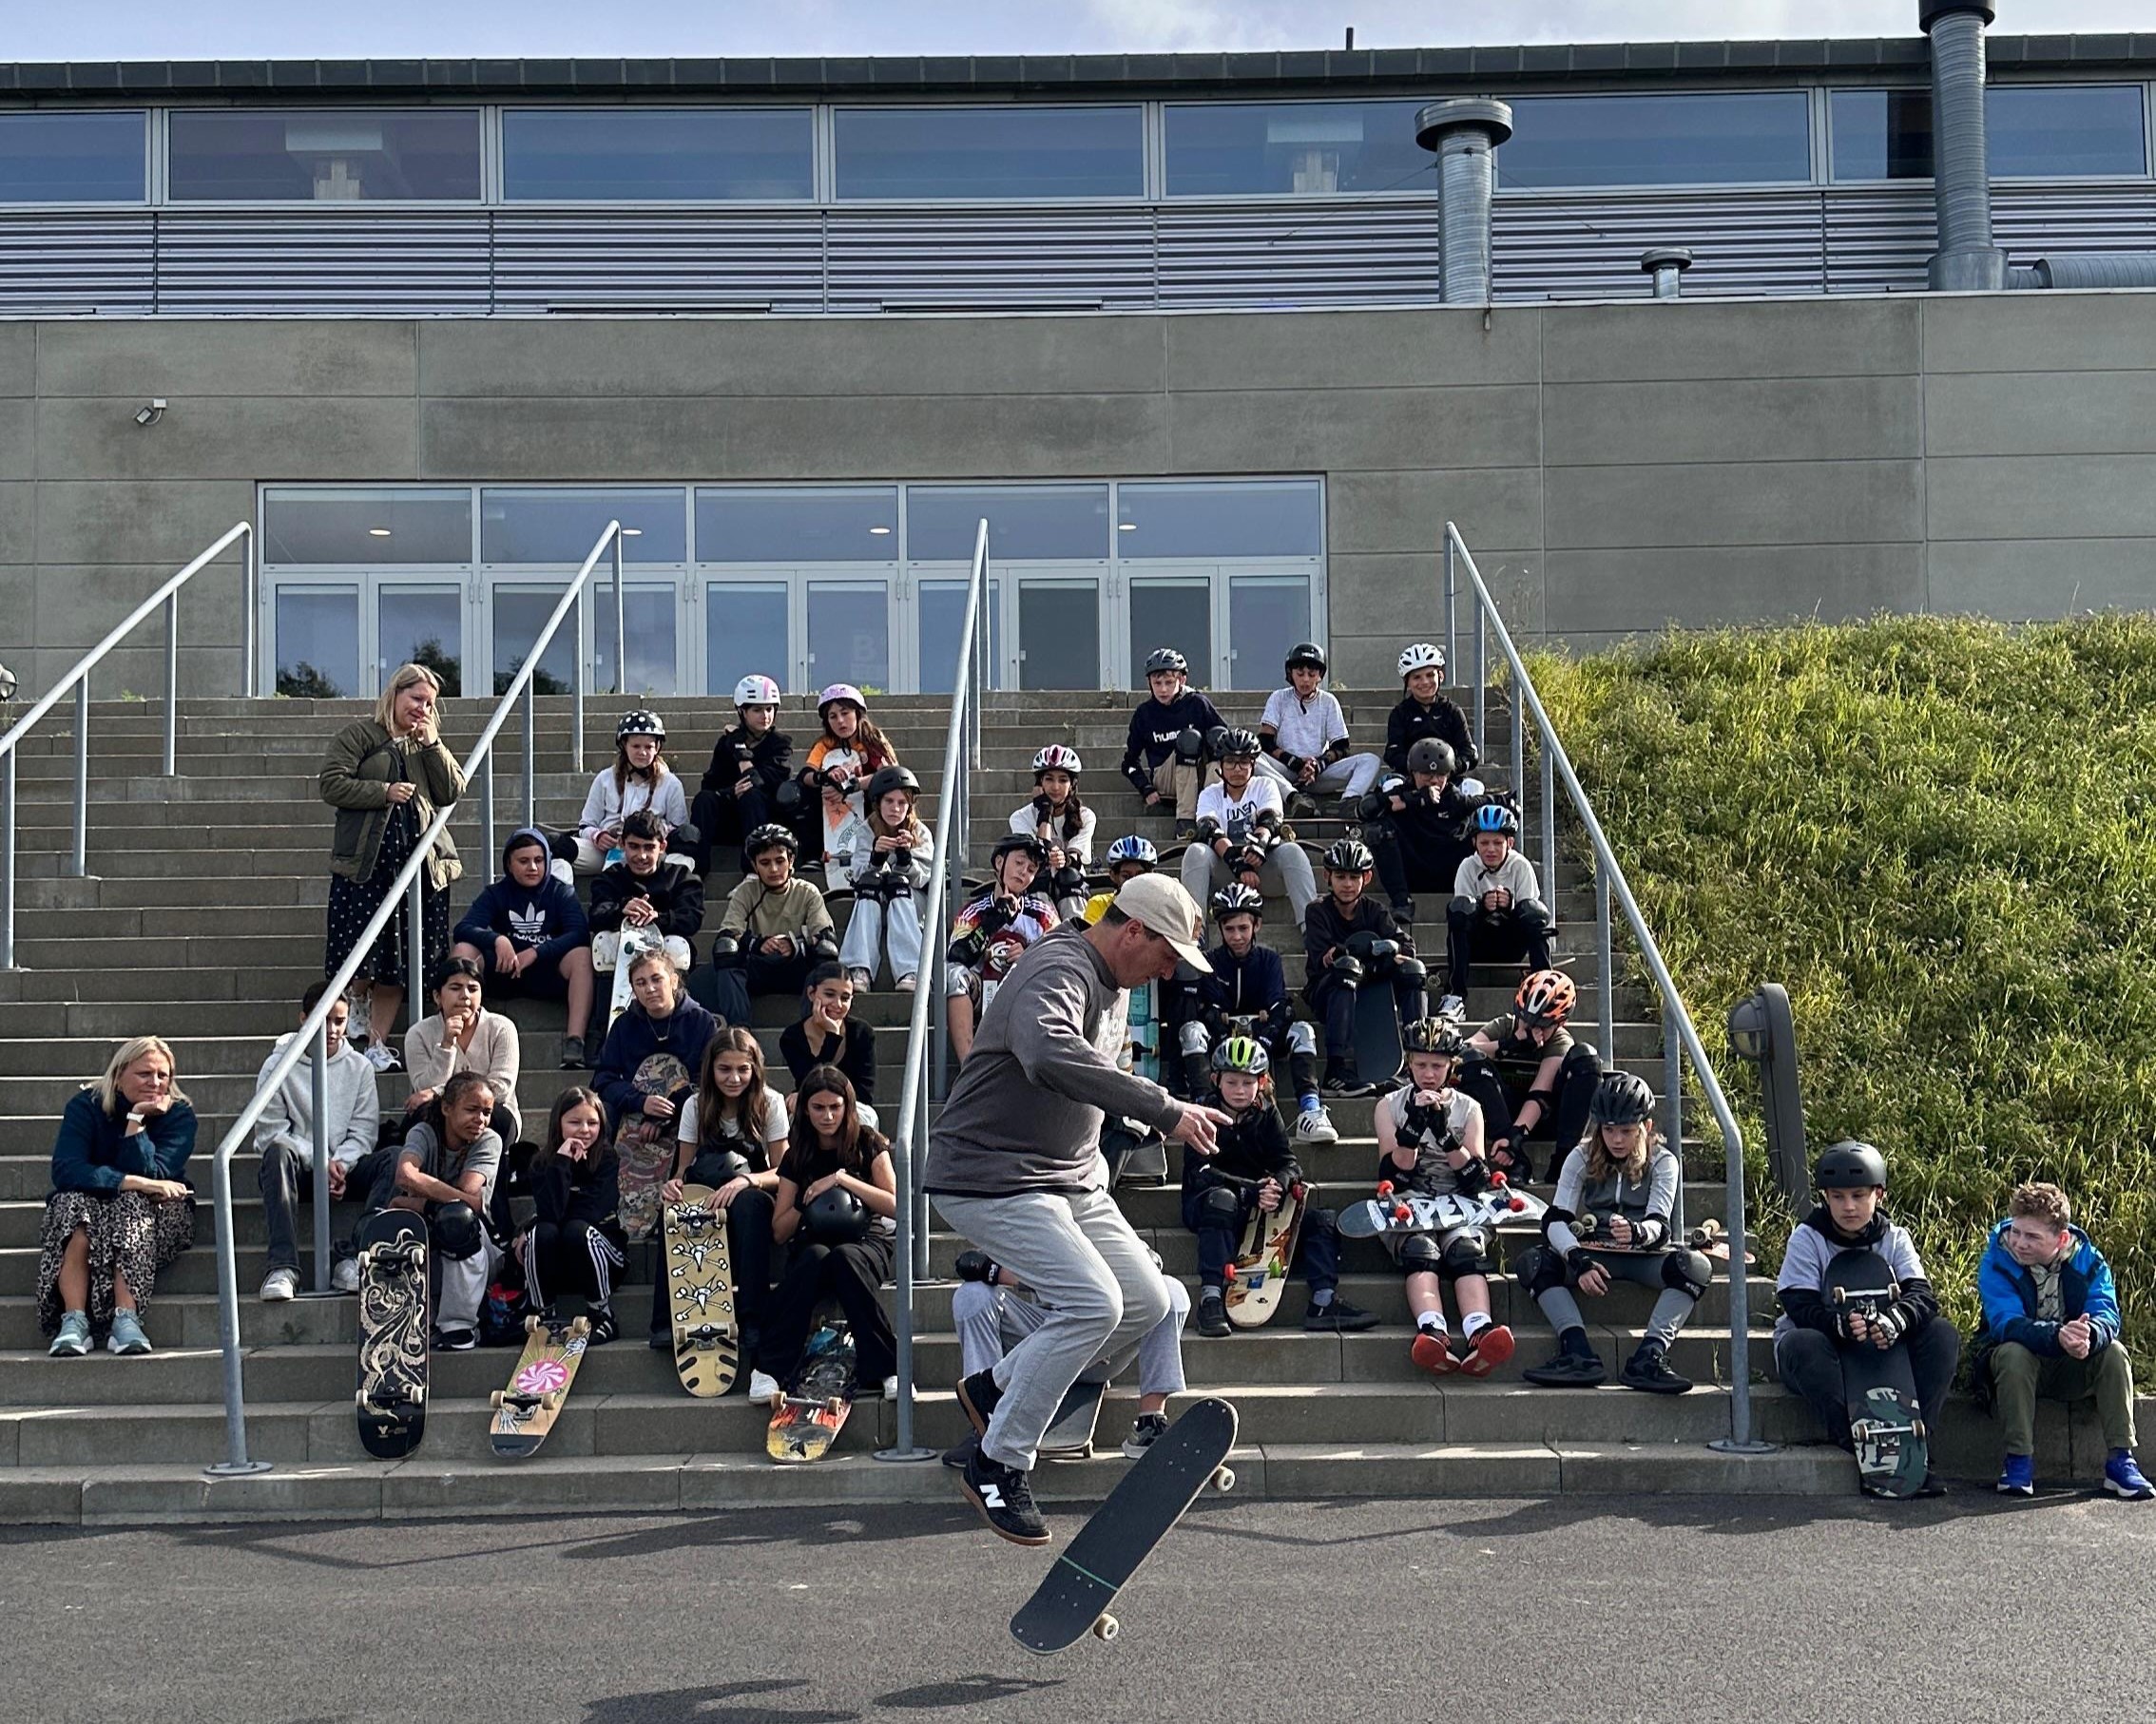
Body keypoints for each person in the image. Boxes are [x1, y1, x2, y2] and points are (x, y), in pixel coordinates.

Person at [926, 872, 1229, 1546]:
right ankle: (998, 1464)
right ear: (1133, 931)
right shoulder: (1057, 968)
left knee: (1148, 1300)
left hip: (1070, 1178)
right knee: (1093, 1303)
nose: (1169, 972)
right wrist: (1163, 1108)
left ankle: (995, 1390)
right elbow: (1049, 1053)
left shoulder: (1114, 980)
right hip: (991, 1175)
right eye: (1167, 955)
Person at [1773, 1140, 1954, 1498]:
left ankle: (1917, 1449)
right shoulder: (1807, 1238)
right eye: (1837, 1197)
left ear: (1878, 1195)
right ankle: (1858, 1450)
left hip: (1884, 1351)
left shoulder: (1895, 1238)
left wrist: (1897, 1319)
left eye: (1858, 1195)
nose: (1849, 1206)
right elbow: (1797, 1302)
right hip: (1825, 1353)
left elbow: (1923, 1296)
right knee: (1801, 1342)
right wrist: (1839, 1324)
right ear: (1825, 1197)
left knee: (1942, 1334)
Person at [1515, 1070, 1705, 1393]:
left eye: (1627, 1131)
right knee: (1533, 1262)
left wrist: (1638, 1232)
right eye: (1609, 1130)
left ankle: (1649, 1356)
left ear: (1646, 1127)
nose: (1617, 1140)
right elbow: (1555, 1220)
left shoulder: (1664, 1161)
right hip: (1594, 1252)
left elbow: (1660, 1226)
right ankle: (1577, 1352)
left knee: (1695, 1267)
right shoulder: (1580, 1156)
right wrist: (1578, 1260)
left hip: (1644, 1255)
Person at [319, 661, 466, 1069]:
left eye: (430, 703)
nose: (423, 708)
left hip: (419, 870)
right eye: (416, 698)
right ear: (395, 694)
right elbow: (331, 783)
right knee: (363, 953)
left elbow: (452, 790)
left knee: (399, 963)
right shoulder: (360, 735)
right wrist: (383, 791)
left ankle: (377, 1044)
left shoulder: (426, 742)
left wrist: (432, 745)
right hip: (369, 866)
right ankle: (352, 1011)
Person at [1184, 1035, 1373, 1339]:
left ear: (1261, 1082)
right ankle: (1210, 1299)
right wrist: (1250, 1190)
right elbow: (1201, 1172)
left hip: (1259, 1209)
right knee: (1222, 1200)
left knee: (1322, 1220)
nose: (1240, 1090)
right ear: (1216, 1080)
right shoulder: (1202, 1114)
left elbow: (1290, 1164)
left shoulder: (1267, 1112)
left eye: (1248, 1083)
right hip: (1211, 1206)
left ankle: (1323, 1302)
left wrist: (1278, 1184)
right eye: (1232, 1082)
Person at [1973, 1181, 2150, 1500]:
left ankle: (2121, 1461)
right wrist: (2057, 1336)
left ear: (2062, 1239)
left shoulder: (2090, 1261)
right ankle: (2018, 1461)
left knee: (2114, 1352)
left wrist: (2089, 1335)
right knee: (2012, 1353)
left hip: (2073, 1364)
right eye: (2016, 1232)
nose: (2019, 1243)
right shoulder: (1996, 1260)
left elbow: (2107, 1313)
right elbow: (2005, 1323)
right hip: (2021, 1369)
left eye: (2032, 1237)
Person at [949, 1247, 1192, 1461]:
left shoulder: (1101, 1218)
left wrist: (1001, 1272)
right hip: (1043, 1338)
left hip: (1106, 1341)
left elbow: (1149, 1262)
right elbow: (976, 1263)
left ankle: (1150, 1423)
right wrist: (995, 1269)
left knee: (1169, 1291)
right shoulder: (1031, 1218)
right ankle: (986, 1425)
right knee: (972, 1295)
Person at [1372, 1019, 1512, 1377]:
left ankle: (1479, 1329)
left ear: (1451, 1065)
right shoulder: (1389, 1105)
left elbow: (1476, 1178)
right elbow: (1393, 1175)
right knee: (1421, 1249)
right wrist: (1412, 1130)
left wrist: (1446, 1136)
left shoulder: (1469, 1107)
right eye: (1421, 1064)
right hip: (1408, 1198)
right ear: (1409, 1063)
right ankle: (1432, 1330)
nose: (1429, 1074)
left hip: (1457, 1199)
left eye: (1437, 1065)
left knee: (1465, 1249)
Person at [39, 1037, 196, 1357]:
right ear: (119, 1074)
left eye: (163, 1075)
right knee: (72, 1207)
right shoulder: (85, 1106)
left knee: (131, 1204)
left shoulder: (179, 1115)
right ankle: (74, 1321)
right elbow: (66, 1169)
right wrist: (130, 1181)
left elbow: (156, 1174)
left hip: (156, 1215)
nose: (155, 1083)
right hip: (89, 1210)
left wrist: (136, 1119)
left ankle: (126, 1320)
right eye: (144, 1074)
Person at [759, 1066, 899, 1408]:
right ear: (805, 1109)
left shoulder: (869, 1143)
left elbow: (897, 1206)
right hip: (812, 1243)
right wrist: (809, 1202)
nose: (828, 1116)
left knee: (844, 1258)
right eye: (818, 1108)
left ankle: (888, 1369)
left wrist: (841, 1180)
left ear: (847, 1106)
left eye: (835, 1107)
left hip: (866, 1243)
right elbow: (779, 1230)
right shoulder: (797, 1154)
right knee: (817, 1258)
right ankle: (768, 1370)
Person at [658, 1026, 784, 1368]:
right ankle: (667, 1317)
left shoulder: (770, 1102)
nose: (734, 1078)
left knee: (749, 1206)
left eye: (743, 1069)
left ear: (755, 1069)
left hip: (753, 1190)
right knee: (673, 1208)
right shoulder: (695, 1105)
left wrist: (746, 1181)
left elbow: (783, 1173)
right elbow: (683, 1169)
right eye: (724, 1069)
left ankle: (752, 1318)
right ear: (710, 1069)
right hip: (706, 1187)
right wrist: (673, 1186)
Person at [1174, 884, 1335, 1143]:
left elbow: (1278, 1007)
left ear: (1256, 925)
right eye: (1229, 929)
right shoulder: (1211, 961)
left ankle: (1310, 1110)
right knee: (1192, 1031)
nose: (1237, 936)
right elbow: (1211, 1008)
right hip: (1223, 1039)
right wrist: (1222, 1031)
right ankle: (1203, 1107)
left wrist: (1265, 1040)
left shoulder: (1269, 959)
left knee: (1303, 1031)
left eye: (1243, 928)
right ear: (1220, 929)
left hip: (1264, 1036)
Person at [254, 982, 382, 1301]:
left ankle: (356, 1257)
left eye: (339, 1021)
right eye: (323, 1020)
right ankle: (282, 1267)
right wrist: (320, 1162)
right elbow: (270, 1132)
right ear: (303, 1019)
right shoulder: (277, 1065)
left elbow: (364, 1132)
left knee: (395, 1160)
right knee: (276, 1153)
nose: (332, 1030)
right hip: (300, 1169)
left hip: (344, 1168)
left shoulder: (360, 1067)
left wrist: (340, 1165)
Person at [366, 1070, 503, 1351]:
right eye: (472, 1110)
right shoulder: (423, 1133)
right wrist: (432, 1200)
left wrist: (421, 1202)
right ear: (446, 1108)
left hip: (476, 1252)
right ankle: (405, 1316)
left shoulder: (489, 1140)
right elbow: (404, 1175)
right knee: (394, 1223)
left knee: (456, 1219)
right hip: (431, 1245)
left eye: (487, 1112)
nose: (480, 1119)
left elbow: (469, 1202)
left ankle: (459, 1326)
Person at [452, 825, 596, 1069]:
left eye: (539, 860)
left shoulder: (561, 891)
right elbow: (463, 928)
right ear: (509, 864)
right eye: (524, 861)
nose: (533, 867)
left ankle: (575, 1042)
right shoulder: (496, 893)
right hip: (503, 970)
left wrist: (537, 952)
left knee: (582, 955)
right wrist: (498, 940)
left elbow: (579, 934)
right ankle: (453, 1031)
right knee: (464, 951)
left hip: (546, 971)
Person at [1301, 838, 1428, 1096]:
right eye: (1340, 876)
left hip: (1372, 983)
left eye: (1354, 877)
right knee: (1346, 968)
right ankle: (1335, 1071)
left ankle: (1418, 1057)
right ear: (1327, 876)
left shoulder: (1375, 910)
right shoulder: (1317, 911)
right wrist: (1377, 951)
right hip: (1330, 991)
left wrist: (1359, 953)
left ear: (1367, 877)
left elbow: (1406, 947)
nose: (1347, 884)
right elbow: (1325, 959)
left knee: (1414, 971)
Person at [693, 823, 837, 1026]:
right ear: (754, 866)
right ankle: (740, 1029)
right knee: (725, 951)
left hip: (794, 967)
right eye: (765, 863)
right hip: (757, 966)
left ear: (791, 860)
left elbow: (826, 937)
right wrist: (757, 944)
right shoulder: (746, 892)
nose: (774, 869)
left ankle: (814, 1028)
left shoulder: (807, 892)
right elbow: (728, 934)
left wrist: (795, 945)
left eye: (780, 861)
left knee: (826, 952)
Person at [1462, 970, 1601, 1182]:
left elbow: (1540, 1093)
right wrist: (1509, 1045)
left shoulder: (1560, 1041)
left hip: (1539, 1116)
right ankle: (1517, 1161)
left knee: (1586, 1058)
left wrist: (1515, 1138)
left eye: (1543, 1026)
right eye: (1527, 1021)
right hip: (1501, 1112)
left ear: (1560, 1023)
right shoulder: (1506, 1025)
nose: (1534, 1030)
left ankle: (1563, 1161)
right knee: (1472, 1062)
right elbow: (1463, 1051)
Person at [1177, 727, 1318, 926]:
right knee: (1196, 851)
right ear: (1221, 764)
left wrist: (1258, 847)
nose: (1237, 769)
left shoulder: (1265, 784)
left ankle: (1311, 930)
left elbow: (1270, 821)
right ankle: (1195, 932)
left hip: (1264, 870)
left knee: (1293, 851)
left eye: (1243, 762)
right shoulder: (1210, 793)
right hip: (1225, 871)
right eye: (1230, 762)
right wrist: (1239, 865)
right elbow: (1210, 830)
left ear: (1253, 764)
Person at [518, 1087, 626, 1344]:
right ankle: (543, 1313)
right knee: (541, 1233)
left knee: (576, 1230)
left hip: (602, 1257)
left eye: (593, 1123)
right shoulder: (542, 1163)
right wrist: (561, 1162)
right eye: (575, 1122)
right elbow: (549, 1213)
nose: (585, 1130)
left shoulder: (607, 1159)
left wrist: (536, 1221)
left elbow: (592, 1213)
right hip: (561, 1263)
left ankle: (602, 1314)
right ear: (558, 1124)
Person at [946, 833, 1060, 1065]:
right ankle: (969, 1066)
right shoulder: (973, 911)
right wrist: (994, 920)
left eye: (1031, 869)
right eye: (1019, 863)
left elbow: (1060, 957)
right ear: (999, 862)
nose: (1023, 872)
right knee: (953, 974)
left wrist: (1028, 954)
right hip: (982, 992)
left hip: (1026, 992)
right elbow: (957, 955)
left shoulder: (1043, 913)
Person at [1441, 803, 1552, 1020]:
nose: (1490, 849)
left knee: (1534, 912)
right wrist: (1481, 907)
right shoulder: (1467, 867)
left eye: (1497, 843)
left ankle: (1543, 990)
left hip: (1511, 944)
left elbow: (1532, 918)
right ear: (1474, 843)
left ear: (1510, 843)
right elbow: (1460, 916)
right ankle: (1455, 995)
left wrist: (1510, 906)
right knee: (1460, 908)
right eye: (1484, 843)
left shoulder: (1521, 866)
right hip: (1477, 944)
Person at [403, 954, 524, 1152]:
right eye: (455, 988)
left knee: (500, 1118)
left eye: (473, 989)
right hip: (443, 1114)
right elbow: (422, 1089)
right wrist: (446, 1046)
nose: (465, 996)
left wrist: (438, 1092)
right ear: (437, 996)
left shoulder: (502, 1028)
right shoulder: (418, 1034)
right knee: (420, 1116)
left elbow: (501, 1088)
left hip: (490, 1113)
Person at [556, 709, 694, 881]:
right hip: (607, 850)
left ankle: (664, 892)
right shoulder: (605, 779)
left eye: (648, 747)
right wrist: (598, 836)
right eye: (636, 746)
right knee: (557, 850)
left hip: (650, 853)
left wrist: (652, 836)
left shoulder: (671, 783)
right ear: (624, 745)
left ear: (657, 748)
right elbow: (586, 825)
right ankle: (561, 895)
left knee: (683, 858)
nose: (642, 752)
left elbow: (679, 829)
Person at [1253, 642, 1382, 818]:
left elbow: (1341, 747)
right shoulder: (1278, 698)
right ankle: (1294, 797)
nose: (1306, 679)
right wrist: (1296, 763)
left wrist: (1316, 765)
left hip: (1319, 773)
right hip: (1285, 770)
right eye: (1300, 674)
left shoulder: (1328, 702)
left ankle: (1348, 802)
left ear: (1320, 675)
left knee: (1370, 760)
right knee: (1251, 756)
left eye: (1311, 674)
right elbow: (1265, 741)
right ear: (1290, 674)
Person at [838, 764, 934, 992]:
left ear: (909, 806)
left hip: (910, 904)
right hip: (875, 901)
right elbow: (858, 876)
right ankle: (858, 968)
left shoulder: (920, 832)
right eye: (889, 801)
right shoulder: (867, 829)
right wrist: (876, 858)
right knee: (869, 885)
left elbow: (926, 879)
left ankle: (912, 970)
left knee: (897, 884)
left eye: (902, 803)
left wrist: (905, 860)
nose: (895, 808)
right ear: (878, 803)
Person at [1364, 738, 1479, 922]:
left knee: (1485, 832)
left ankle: (1475, 903)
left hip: (1449, 869)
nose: (1433, 780)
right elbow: (1365, 809)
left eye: (1440, 775)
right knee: (1377, 830)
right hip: (1411, 868)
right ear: (1413, 773)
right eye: (1426, 774)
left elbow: (1490, 802)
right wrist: (1416, 798)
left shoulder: (1455, 798)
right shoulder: (1403, 792)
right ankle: (1401, 902)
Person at [796, 683, 898, 889]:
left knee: (887, 793)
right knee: (800, 793)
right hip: (833, 805)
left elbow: (890, 776)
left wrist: (852, 786)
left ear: (857, 714)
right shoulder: (825, 744)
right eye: (833, 716)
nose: (840, 721)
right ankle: (813, 853)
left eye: (845, 713)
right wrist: (824, 778)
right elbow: (805, 775)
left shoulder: (872, 740)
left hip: (867, 801)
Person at [1119, 647, 1225, 840]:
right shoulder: (1144, 714)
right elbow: (1129, 763)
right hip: (1167, 778)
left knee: (1217, 737)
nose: (1163, 689)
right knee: (1188, 739)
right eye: (1157, 683)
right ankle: (1185, 822)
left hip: (1202, 777)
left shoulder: (1197, 703)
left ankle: (1214, 811)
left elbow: (1224, 741)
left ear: (1182, 680)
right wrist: (1145, 788)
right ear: (1149, 683)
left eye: (1169, 682)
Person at [691, 674, 793, 873]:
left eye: (769, 709)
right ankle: (696, 869)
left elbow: (759, 782)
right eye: (757, 710)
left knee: (751, 795)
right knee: (704, 799)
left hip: (764, 820)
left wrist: (740, 750)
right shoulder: (725, 743)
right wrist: (731, 792)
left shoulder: (781, 744)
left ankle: (753, 872)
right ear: (742, 711)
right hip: (730, 819)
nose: (765, 715)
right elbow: (710, 785)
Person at [589, 809, 705, 979]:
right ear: (621, 844)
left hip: (668, 963)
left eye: (649, 847)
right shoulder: (610, 878)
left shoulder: (681, 876)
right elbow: (596, 916)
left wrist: (655, 918)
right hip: (620, 960)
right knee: (603, 941)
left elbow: (691, 920)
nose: (641, 856)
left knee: (677, 945)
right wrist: (623, 910)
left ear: (662, 847)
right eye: (634, 846)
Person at [780, 963, 878, 1122]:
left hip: (852, 1108)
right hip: (815, 1108)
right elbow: (811, 1083)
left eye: (845, 998)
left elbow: (864, 1094)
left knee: (867, 1116)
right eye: (829, 994)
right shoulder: (792, 1037)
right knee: (794, 1112)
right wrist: (832, 1038)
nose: (838, 1004)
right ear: (811, 994)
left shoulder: (862, 1033)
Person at [1012, 745, 1094, 920]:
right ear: (1039, 783)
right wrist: (1045, 811)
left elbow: (1076, 859)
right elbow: (1038, 855)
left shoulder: (1086, 816)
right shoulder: (1019, 818)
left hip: (1071, 888)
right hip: (1036, 886)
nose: (1055, 787)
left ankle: (1075, 933)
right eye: (1049, 779)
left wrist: (1065, 858)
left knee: (1069, 875)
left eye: (1063, 780)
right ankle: (1045, 931)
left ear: (1072, 785)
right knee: (1039, 877)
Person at [1081, 834, 1157, 926]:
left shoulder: (1159, 906)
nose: (1134, 882)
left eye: (1140, 875)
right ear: (1113, 876)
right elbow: (1089, 933)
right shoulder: (1100, 904)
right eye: (1126, 876)